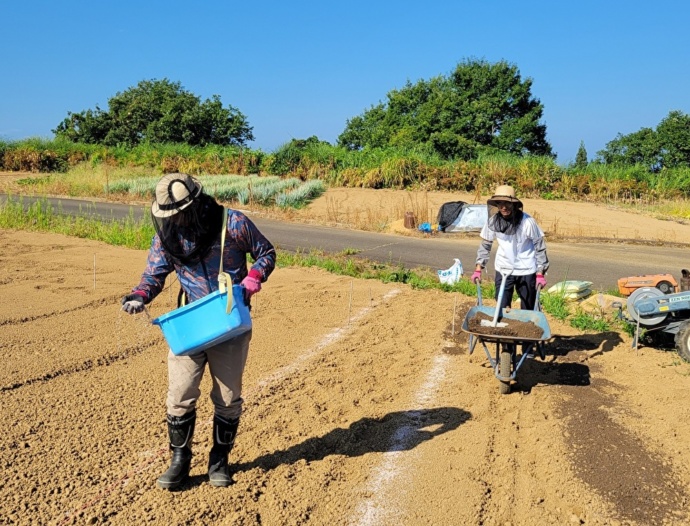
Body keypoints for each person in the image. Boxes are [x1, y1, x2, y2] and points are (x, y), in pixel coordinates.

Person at [121, 173, 276, 490]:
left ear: (194, 205)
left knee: (228, 397)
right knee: (179, 395)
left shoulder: (232, 223)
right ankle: (179, 460)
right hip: (190, 324)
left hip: (230, 321)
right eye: (169, 215)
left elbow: (266, 252)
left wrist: (252, 279)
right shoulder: (168, 237)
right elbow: (153, 275)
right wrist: (139, 296)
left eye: (179, 214)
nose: (174, 220)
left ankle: (219, 460)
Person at [471, 185, 549, 336]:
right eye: (500, 203)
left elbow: (540, 247)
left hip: (526, 269)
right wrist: (478, 269)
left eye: (507, 203)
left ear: (514, 204)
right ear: (496, 205)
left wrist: (540, 272)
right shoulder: (493, 222)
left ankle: (528, 346)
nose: (504, 207)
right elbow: (485, 245)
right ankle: (507, 345)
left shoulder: (528, 222)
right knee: (502, 306)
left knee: (527, 310)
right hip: (503, 268)